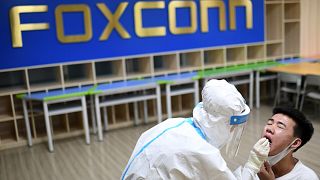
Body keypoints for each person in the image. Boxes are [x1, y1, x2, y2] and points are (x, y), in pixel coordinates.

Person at [121, 79, 270, 179]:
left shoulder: (174, 124)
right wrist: (252, 166)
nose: (232, 131)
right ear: (221, 123)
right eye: (232, 127)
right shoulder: (201, 152)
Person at [258, 106, 319, 180]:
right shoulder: (255, 167)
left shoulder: (307, 177)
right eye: (269, 123)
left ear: (295, 143)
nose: (269, 128)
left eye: (280, 126)